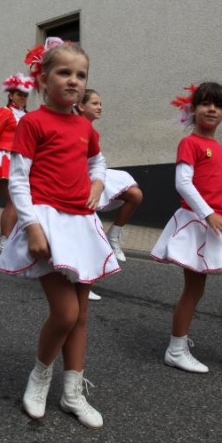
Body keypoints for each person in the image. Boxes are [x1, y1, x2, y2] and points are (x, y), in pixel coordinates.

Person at [0, 39, 120, 429]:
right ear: (43, 79)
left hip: (81, 223)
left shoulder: (84, 126)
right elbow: (18, 180)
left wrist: (98, 183)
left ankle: (71, 392)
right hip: (47, 221)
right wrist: (30, 225)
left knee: (81, 315)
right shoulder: (31, 123)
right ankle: (40, 376)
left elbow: (97, 159)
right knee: (64, 312)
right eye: (64, 73)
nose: (73, 81)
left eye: (80, 75)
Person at [151, 82, 222, 377]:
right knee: (194, 287)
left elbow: (220, 189)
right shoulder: (190, 143)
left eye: (218, 105)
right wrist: (209, 214)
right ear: (194, 110)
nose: (211, 109)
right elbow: (183, 183)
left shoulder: (218, 146)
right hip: (198, 223)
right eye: (205, 103)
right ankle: (175, 349)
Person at [76, 88, 143, 301]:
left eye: (100, 103)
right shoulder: (73, 127)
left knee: (135, 194)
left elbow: (96, 161)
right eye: (94, 103)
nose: (100, 107)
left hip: (93, 179)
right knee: (89, 236)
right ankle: (81, 282)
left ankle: (114, 235)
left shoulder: (92, 132)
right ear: (80, 106)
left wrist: (99, 180)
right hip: (77, 183)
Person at [0, 73, 34, 251]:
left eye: (25, 95)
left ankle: (14, 237)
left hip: (23, 162)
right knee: (13, 200)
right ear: (11, 95)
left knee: (21, 201)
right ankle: (5, 241)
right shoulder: (3, 112)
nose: (22, 99)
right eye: (19, 95)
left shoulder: (28, 116)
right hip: (4, 160)